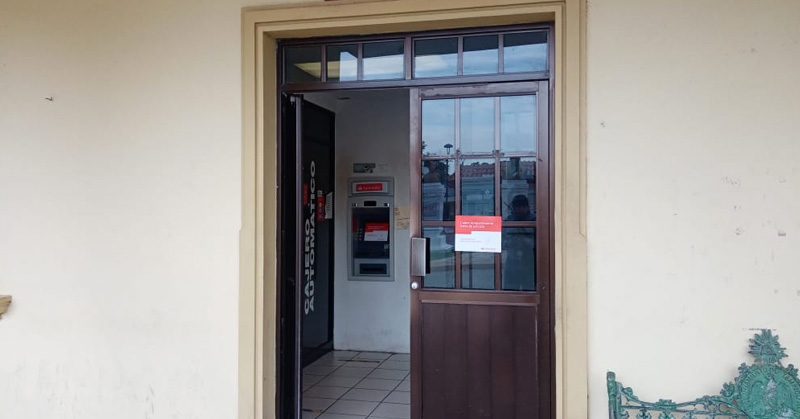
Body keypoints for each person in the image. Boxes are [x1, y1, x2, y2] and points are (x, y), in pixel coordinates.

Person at [503, 195, 536, 290]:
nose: (519, 210)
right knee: (510, 291)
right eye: (516, 207)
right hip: (512, 263)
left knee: (529, 290)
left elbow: (539, 243)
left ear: (527, 207)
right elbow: (502, 242)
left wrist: (523, 238)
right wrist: (509, 242)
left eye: (522, 207)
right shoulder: (508, 221)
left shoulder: (534, 220)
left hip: (530, 262)